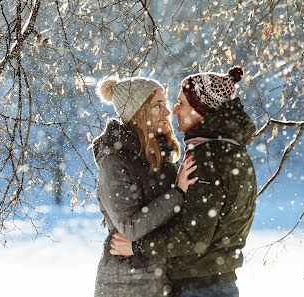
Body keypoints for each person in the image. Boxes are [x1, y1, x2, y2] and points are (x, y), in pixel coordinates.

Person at [110, 66, 257, 297]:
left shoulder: (209, 157)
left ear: (201, 110)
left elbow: (195, 236)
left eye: (181, 103)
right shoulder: (231, 150)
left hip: (200, 287)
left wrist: (137, 247)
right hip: (215, 281)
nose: (174, 110)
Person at [92, 76, 198, 297]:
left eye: (165, 104)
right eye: (158, 106)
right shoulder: (114, 161)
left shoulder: (163, 155)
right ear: (137, 112)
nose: (167, 112)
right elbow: (130, 227)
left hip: (164, 280)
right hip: (126, 284)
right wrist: (177, 193)